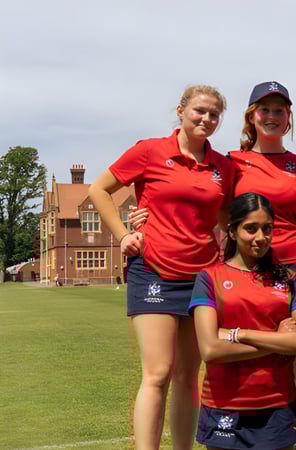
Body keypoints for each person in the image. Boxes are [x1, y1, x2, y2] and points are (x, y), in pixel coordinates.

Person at [88, 85, 234, 450]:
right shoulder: (150, 151)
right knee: (157, 374)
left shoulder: (223, 166)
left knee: (189, 376)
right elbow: (99, 190)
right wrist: (123, 234)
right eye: (200, 111)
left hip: (202, 278)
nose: (207, 119)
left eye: (214, 115)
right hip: (153, 270)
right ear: (181, 110)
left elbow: (224, 218)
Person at [189, 192, 296, 449]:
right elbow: (211, 350)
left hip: (277, 404)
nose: (260, 237)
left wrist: (238, 334)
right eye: (251, 228)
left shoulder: (289, 279)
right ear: (232, 232)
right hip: (224, 404)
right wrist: (278, 339)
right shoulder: (208, 278)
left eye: (267, 228)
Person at [228, 81, 296, 304]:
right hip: (245, 265)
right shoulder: (231, 162)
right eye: (265, 110)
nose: (272, 116)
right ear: (252, 116)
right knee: (244, 336)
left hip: (292, 266)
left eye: (279, 111)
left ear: (287, 116)